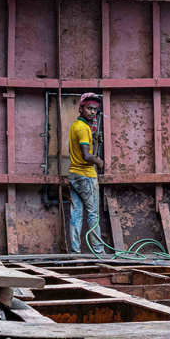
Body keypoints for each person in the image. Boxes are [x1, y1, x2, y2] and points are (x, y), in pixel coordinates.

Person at [67, 93, 105, 254]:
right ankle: (99, 250)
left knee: (75, 214)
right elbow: (86, 156)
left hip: (73, 174)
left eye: (95, 109)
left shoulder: (76, 125)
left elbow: (88, 151)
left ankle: (75, 252)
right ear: (81, 109)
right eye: (89, 108)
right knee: (93, 214)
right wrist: (99, 162)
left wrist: (95, 140)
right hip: (86, 176)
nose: (92, 112)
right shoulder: (83, 129)